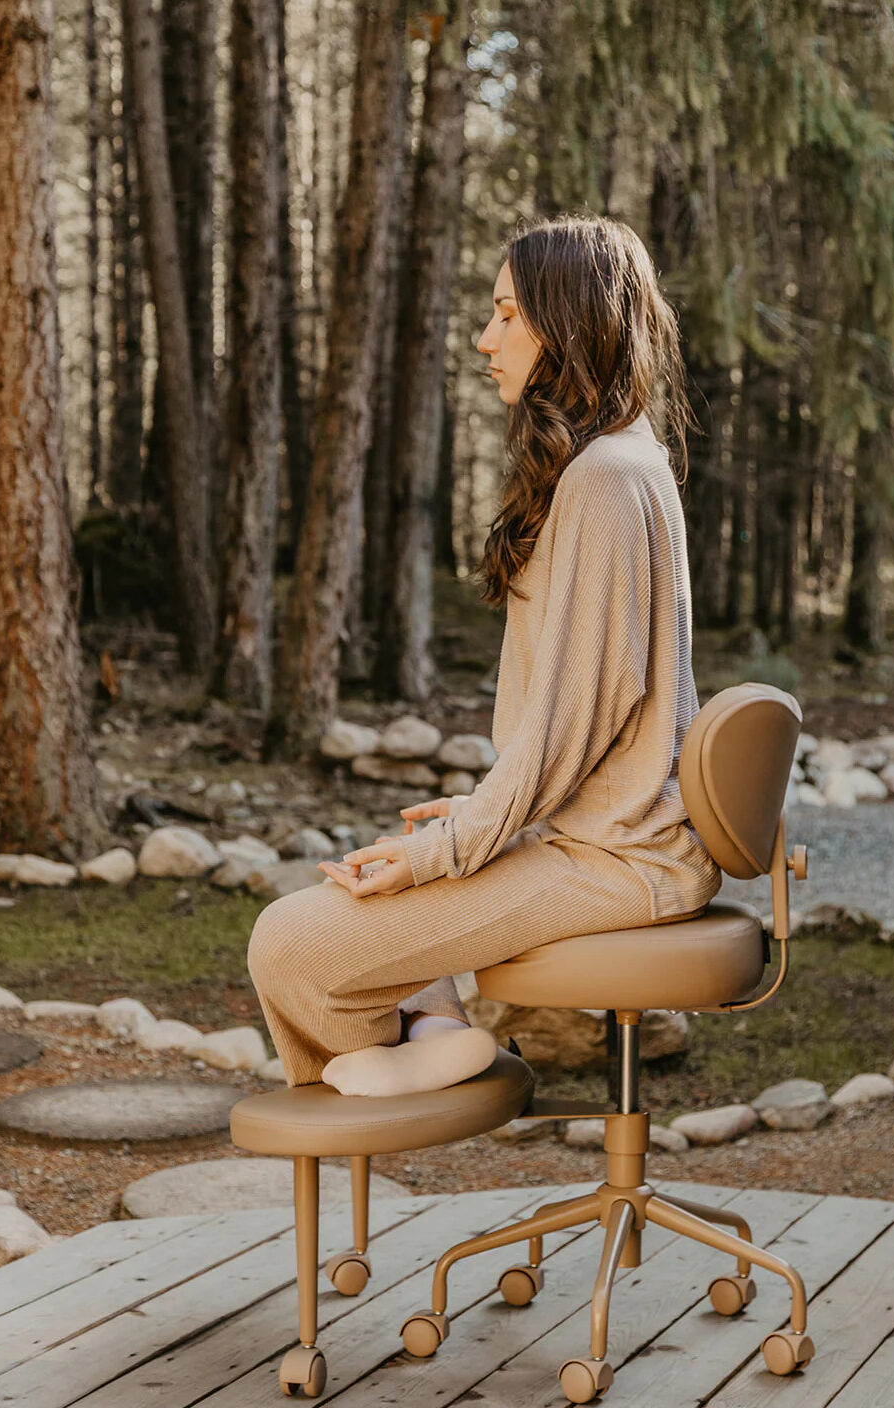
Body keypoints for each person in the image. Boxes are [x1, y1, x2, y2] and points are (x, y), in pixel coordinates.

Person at [246, 213, 723, 1098]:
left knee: (288, 940)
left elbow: (582, 711)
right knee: (370, 876)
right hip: (596, 836)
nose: (482, 337)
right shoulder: (622, 461)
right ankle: (432, 1027)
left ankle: (420, 1041)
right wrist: (478, 817)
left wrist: (463, 843)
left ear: (569, 322)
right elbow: (594, 722)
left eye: (506, 314)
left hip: (619, 861)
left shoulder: (607, 479)